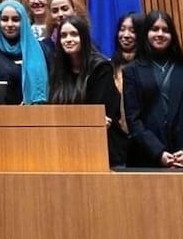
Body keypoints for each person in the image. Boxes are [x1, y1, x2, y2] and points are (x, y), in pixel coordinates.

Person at [123, 10, 183, 167]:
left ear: (172, 36)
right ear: (146, 33)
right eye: (154, 29)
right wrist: (158, 152)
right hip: (146, 158)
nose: (160, 34)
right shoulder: (132, 71)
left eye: (165, 30)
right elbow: (134, 120)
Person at [49, 15, 127, 166]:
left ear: (84, 37)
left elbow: (100, 115)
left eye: (74, 34)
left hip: (104, 147)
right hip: (68, 146)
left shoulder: (101, 67)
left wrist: (70, 120)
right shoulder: (58, 69)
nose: (68, 39)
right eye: (64, 36)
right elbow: (54, 109)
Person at [0, 0, 51, 104]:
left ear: (24, 21)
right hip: (5, 116)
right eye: (5, 19)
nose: (10, 24)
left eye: (15, 19)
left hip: (41, 114)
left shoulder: (42, 49)